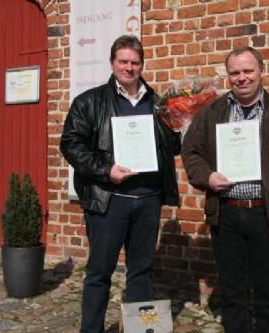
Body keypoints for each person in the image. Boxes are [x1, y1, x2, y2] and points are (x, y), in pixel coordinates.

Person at [181, 46, 269, 333]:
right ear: (228, 77)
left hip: (267, 214)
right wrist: (207, 177)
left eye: (248, 71)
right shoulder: (212, 112)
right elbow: (191, 152)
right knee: (232, 293)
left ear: (261, 71)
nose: (242, 78)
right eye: (235, 73)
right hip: (226, 215)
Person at [60, 35, 180, 333]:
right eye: (123, 61)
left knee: (141, 271)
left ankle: (140, 329)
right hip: (109, 199)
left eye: (135, 62)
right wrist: (105, 170)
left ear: (142, 65)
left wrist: (179, 125)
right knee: (100, 272)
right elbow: (71, 145)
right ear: (112, 63)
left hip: (148, 198)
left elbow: (171, 149)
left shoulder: (158, 104)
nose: (129, 67)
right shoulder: (89, 101)